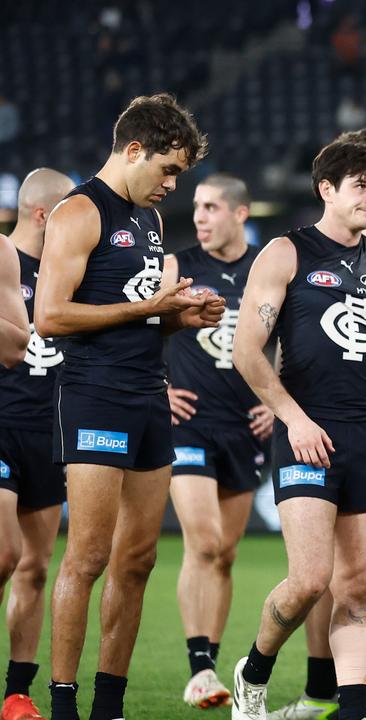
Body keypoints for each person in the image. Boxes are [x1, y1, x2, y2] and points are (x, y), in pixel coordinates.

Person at [36, 93, 219, 720]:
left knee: (137, 559)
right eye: (168, 169)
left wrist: (180, 319)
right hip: (94, 398)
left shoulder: (151, 221)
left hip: (148, 396)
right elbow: (51, 316)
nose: (172, 184)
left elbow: (144, 320)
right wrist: (150, 309)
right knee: (87, 556)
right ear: (133, 149)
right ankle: (64, 704)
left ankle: (108, 706)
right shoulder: (78, 212)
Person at [228, 139, 366, 720]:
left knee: (356, 587)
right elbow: (246, 351)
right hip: (307, 431)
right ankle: (253, 670)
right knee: (310, 579)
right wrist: (294, 417)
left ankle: (354, 706)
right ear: (326, 189)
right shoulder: (286, 252)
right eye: (361, 184)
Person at [166, 173, 271, 710]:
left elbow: (298, 342)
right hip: (188, 425)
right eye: (198, 207)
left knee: (225, 555)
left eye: (211, 207)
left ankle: (210, 661)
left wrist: (278, 403)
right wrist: (159, 388)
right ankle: (199, 668)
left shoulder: (266, 268)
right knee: (203, 542)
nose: (200, 216)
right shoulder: (178, 267)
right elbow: (136, 330)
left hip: (243, 428)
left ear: (240, 212)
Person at [0, 168, 75, 720]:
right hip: (1, 422)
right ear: (43, 214)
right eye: (69, 214)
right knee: (4, 554)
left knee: (35, 567)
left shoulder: (73, 274)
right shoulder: (4, 257)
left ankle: (17, 694)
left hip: (49, 433)